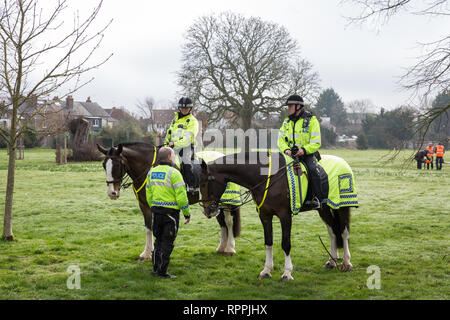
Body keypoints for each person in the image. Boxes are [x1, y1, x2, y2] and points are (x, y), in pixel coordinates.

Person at [146, 147, 191, 279]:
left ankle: (156, 268)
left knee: (158, 240)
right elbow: (181, 197)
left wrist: (154, 207)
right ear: (170, 157)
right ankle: (162, 271)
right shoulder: (175, 173)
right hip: (170, 214)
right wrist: (186, 213)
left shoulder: (151, 173)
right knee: (168, 242)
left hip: (156, 212)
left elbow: (148, 194)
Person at [278, 94, 325, 209]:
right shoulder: (287, 122)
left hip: (307, 155)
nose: (288, 108)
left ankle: (317, 199)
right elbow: (280, 139)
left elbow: (316, 142)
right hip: (289, 155)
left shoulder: (311, 120)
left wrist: (303, 150)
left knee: (313, 170)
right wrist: (286, 150)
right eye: (288, 106)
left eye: (290, 106)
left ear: (298, 106)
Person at [164, 97, 200, 194]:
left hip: (186, 147)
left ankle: (191, 185)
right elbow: (169, 132)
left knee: (186, 161)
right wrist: (166, 143)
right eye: (182, 108)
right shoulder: (175, 119)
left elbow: (189, 138)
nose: (184, 110)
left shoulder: (193, 121)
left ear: (190, 109)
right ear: (179, 108)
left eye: (186, 109)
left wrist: (175, 144)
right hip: (171, 147)